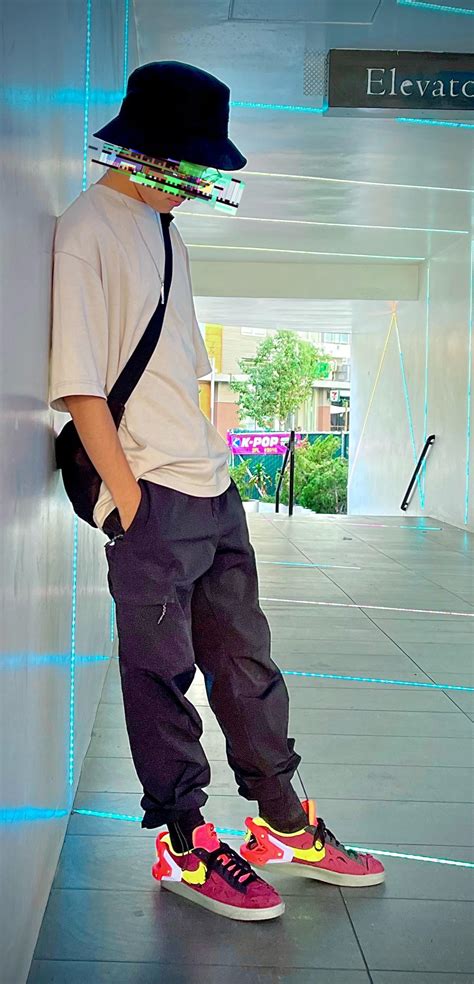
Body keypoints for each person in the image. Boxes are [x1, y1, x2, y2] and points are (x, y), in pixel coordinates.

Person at [50, 60, 384, 922]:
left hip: (213, 487)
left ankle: (283, 823)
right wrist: (129, 501)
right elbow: (81, 386)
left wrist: (214, 470)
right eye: (191, 163)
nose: (198, 182)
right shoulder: (87, 229)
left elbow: (176, 371)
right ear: (150, 148)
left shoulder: (165, 231)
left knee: (246, 663)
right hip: (153, 498)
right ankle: (184, 842)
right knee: (160, 676)